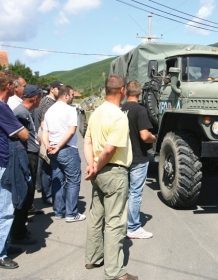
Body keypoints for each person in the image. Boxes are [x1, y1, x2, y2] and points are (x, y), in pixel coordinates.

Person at [83, 75, 138, 280]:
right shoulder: (118, 116)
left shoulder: (96, 112)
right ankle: (115, 272)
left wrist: (91, 165)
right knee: (115, 221)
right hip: (113, 171)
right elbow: (109, 150)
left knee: (96, 215)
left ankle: (93, 257)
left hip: (98, 172)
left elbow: (87, 141)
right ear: (122, 90)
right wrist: (97, 165)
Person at [0, 70, 28, 269]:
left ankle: (2, 246)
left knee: (3, 208)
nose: (17, 87)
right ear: (7, 86)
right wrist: (22, 128)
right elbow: (24, 135)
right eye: (14, 84)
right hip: (3, 164)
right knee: (3, 211)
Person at [43, 85, 85, 222]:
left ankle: (59, 211)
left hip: (53, 149)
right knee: (73, 180)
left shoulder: (49, 110)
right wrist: (59, 146)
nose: (73, 97)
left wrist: (48, 145)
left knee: (58, 179)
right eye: (72, 95)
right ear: (66, 95)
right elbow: (71, 131)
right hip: (67, 148)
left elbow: (45, 131)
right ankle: (71, 213)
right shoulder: (70, 110)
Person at [121, 81, 156, 239]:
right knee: (135, 193)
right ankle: (133, 227)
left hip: (122, 156)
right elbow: (144, 135)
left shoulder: (120, 109)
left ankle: (121, 223)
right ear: (140, 92)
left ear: (126, 92)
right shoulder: (140, 110)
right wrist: (153, 138)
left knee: (123, 192)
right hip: (138, 157)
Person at [9, 85, 43, 245]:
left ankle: (20, 230)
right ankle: (18, 233)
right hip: (27, 155)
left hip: (31, 153)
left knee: (29, 192)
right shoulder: (21, 113)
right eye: (40, 97)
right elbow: (19, 137)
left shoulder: (25, 112)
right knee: (25, 192)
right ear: (35, 98)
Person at [38, 81, 63, 205]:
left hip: (47, 137)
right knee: (47, 168)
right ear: (52, 89)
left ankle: (48, 193)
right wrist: (49, 141)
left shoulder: (51, 101)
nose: (60, 90)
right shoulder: (48, 102)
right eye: (58, 88)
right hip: (47, 137)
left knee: (48, 167)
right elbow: (43, 123)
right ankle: (47, 195)